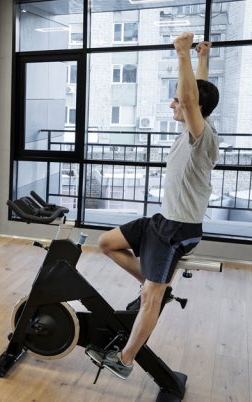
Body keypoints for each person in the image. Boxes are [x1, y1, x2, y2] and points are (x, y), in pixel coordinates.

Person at [88, 33, 220, 379]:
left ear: (194, 109)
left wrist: (182, 55)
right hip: (161, 221)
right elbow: (198, 93)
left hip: (179, 228)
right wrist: (202, 57)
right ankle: (155, 283)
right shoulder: (194, 129)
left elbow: (193, 100)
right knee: (106, 243)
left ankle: (125, 359)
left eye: (176, 101)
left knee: (149, 298)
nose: (172, 104)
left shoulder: (202, 136)